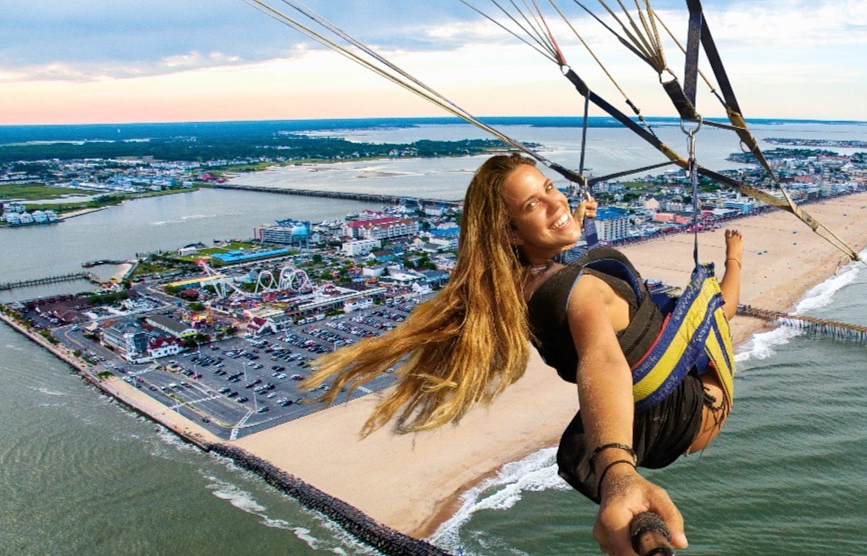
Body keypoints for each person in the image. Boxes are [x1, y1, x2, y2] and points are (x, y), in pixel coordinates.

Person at [305, 153, 743, 555]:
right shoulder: (580, 292)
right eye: (533, 205)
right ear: (511, 233)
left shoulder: (519, 286)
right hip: (690, 409)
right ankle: (736, 263)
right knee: (717, 310)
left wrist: (568, 219)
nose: (555, 203)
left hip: (661, 425)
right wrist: (617, 471)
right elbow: (602, 361)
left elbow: (555, 265)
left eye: (550, 188)